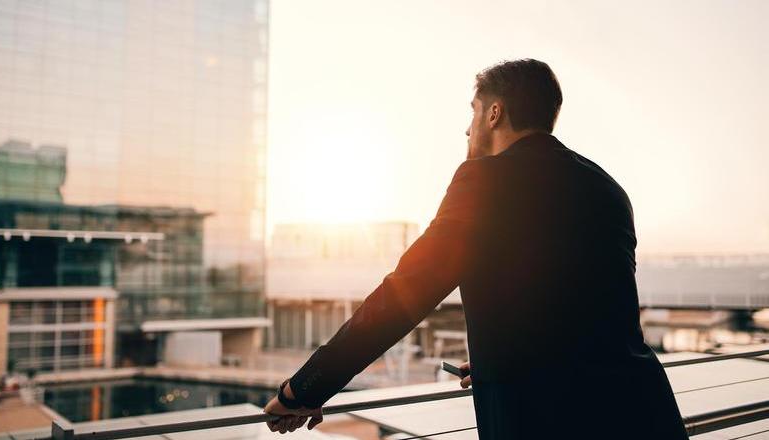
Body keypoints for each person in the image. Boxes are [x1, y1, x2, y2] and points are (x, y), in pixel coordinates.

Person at [263, 59, 689, 439]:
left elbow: (403, 296)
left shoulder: (483, 180)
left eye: (472, 112)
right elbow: (591, 310)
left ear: (494, 113)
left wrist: (302, 388)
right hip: (644, 411)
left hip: (552, 422)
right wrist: (498, 358)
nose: (467, 129)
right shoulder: (607, 187)